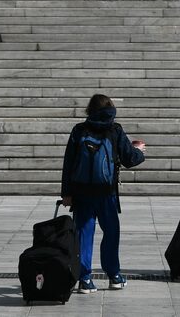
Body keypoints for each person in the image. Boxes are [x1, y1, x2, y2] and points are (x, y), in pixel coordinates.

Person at [61, 94, 146, 293]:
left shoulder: (79, 130)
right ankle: (114, 276)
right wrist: (139, 150)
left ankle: (84, 279)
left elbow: (69, 163)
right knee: (111, 233)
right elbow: (129, 159)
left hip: (82, 193)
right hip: (106, 193)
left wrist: (67, 193)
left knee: (83, 234)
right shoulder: (114, 129)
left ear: (89, 109)